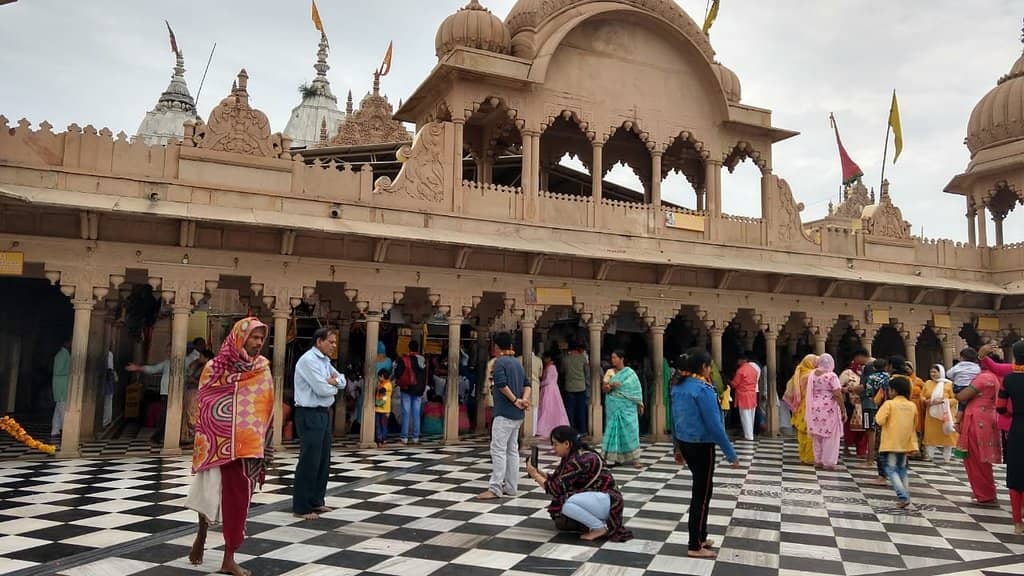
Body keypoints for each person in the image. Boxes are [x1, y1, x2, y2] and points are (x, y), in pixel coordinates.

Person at [185, 317, 274, 576]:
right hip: (217, 445)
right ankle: (202, 535)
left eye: (261, 338)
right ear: (240, 337)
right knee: (209, 494)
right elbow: (207, 403)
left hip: (247, 448)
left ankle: (229, 557)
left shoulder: (261, 368)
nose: (258, 343)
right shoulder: (215, 368)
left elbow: (266, 407)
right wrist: (222, 434)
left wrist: (259, 439)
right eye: (254, 337)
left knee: (239, 502)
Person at [672, 347, 739, 559]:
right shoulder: (703, 390)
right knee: (701, 494)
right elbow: (715, 426)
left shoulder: (677, 387)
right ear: (703, 367)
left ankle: (700, 536)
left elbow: (674, 420)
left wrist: (676, 447)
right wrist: (731, 454)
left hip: (686, 443)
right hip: (702, 446)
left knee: (703, 491)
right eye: (709, 366)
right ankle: (695, 544)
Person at [525, 425, 633, 542]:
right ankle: (598, 523)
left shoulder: (578, 461)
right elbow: (558, 479)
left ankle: (599, 528)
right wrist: (538, 472)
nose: (553, 448)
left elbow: (556, 489)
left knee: (566, 503)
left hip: (607, 501)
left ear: (566, 444)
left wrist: (535, 475)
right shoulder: (574, 455)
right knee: (563, 518)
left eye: (555, 444)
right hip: (599, 500)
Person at [292, 328, 345, 520]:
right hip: (309, 413)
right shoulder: (308, 360)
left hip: (323, 413)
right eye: (330, 342)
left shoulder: (325, 361)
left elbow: (343, 380)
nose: (333, 345)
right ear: (319, 341)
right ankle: (302, 506)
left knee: (323, 459)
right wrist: (332, 385)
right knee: (310, 460)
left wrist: (334, 382)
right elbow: (322, 389)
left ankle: (316, 501)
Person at [478, 331, 531, 500]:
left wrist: (515, 400)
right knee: (512, 450)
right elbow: (527, 384)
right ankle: (511, 487)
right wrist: (524, 400)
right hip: (517, 414)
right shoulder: (517, 363)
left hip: (504, 413)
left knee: (499, 450)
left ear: (496, 346)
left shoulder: (499, 362)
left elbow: (500, 384)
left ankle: (495, 488)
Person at [957, 364, 1002, 506]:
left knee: (975, 459)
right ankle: (986, 492)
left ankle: (985, 495)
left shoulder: (982, 378)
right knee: (983, 459)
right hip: (987, 419)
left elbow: (962, 395)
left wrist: (957, 391)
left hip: (976, 420)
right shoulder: (995, 377)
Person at [876, 375, 919, 508]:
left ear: (893, 391)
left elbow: (879, 420)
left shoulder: (889, 404)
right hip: (905, 443)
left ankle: (903, 496)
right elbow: (915, 424)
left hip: (890, 443)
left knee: (890, 469)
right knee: (902, 469)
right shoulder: (912, 405)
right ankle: (905, 494)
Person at [996, 341, 1024, 534]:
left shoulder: (1008, 380)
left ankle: (1017, 523)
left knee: (1016, 473)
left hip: (1017, 429)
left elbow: (1000, 407)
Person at [602, 350, 645, 469]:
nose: (613, 360)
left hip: (628, 407)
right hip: (613, 406)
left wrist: (640, 404)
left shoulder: (630, 373)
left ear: (622, 359)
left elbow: (636, 389)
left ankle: (636, 460)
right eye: (612, 358)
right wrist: (610, 386)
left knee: (631, 430)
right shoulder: (609, 372)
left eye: (615, 358)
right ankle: (616, 458)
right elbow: (604, 389)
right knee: (615, 431)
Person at [126, 343, 172, 443]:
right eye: (167, 351)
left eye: (169, 351)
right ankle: (158, 437)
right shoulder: (166, 363)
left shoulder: (186, 361)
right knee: (163, 416)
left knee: (165, 416)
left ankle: (162, 437)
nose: (167, 353)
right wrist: (138, 368)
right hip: (165, 393)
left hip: (175, 394)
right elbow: (153, 369)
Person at [807, 354, 846, 470]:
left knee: (817, 434)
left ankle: (818, 460)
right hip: (829, 407)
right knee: (830, 435)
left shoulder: (812, 375)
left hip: (814, 407)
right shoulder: (831, 376)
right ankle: (828, 462)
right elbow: (837, 394)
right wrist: (843, 410)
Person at [783, 354, 818, 465]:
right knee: (810, 432)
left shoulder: (798, 374)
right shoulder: (811, 375)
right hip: (810, 406)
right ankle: (809, 457)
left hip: (800, 407)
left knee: (802, 432)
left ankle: (803, 456)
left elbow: (790, 388)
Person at [921, 364, 958, 463]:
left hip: (945, 414)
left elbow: (955, 399)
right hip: (931, 414)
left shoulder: (949, 384)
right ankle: (929, 456)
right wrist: (926, 401)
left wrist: (944, 401)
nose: (932, 374)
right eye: (931, 372)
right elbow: (922, 396)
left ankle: (947, 457)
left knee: (947, 434)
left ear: (941, 372)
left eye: (935, 372)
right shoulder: (927, 383)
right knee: (930, 434)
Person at [394, 340, 428, 444]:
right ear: (417, 348)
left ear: (409, 348)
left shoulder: (404, 359)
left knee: (406, 413)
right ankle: (415, 437)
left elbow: (398, 373)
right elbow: (425, 376)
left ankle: (404, 437)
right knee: (416, 413)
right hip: (418, 390)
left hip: (406, 388)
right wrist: (422, 389)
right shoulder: (423, 360)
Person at [183, 349, 215, 444]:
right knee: (188, 414)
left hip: (197, 393)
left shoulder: (209, 369)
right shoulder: (198, 366)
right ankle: (189, 436)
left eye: (201, 356)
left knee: (193, 415)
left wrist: (193, 380)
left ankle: (196, 437)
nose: (199, 358)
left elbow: (206, 383)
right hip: (191, 391)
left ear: (206, 358)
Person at [536, 351, 570, 438]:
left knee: (548, 408)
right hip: (550, 389)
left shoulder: (551, 367)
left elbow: (548, 380)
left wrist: (539, 384)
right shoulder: (549, 367)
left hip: (550, 390)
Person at [562, 341, 590, 435]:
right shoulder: (583, 358)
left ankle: (571, 429)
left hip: (569, 387)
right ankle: (582, 430)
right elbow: (586, 372)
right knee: (581, 410)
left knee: (570, 410)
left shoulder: (565, 359)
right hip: (581, 387)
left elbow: (563, 371)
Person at [732, 354, 759, 441]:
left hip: (743, 395)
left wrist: (729, 382)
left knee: (745, 416)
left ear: (742, 360)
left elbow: (735, 383)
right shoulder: (753, 369)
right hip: (752, 394)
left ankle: (748, 436)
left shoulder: (741, 370)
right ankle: (750, 434)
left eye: (738, 360)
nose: (737, 362)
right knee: (751, 416)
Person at [949, 348, 981, 414]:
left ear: (962, 357)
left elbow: (949, 374)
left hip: (958, 388)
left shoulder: (958, 366)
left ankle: (958, 420)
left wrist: (955, 377)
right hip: (971, 389)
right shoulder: (977, 367)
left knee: (960, 405)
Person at [51, 340, 71, 439]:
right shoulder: (63, 354)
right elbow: (59, 370)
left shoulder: (63, 354)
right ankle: (66, 431)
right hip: (62, 385)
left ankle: (55, 430)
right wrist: (71, 370)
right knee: (63, 409)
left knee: (58, 409)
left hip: (60, 384)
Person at [374, 369, 393, 448]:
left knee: (383, 425)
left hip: (385, 409)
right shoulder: (381, 383)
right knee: (378, 425)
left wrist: (378, 387)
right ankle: (379, 439)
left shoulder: (388, 384)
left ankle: (383, 439)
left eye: (379, 376)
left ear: (382, 376)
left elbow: (383, 390)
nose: (378, 378)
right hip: (378, 408)